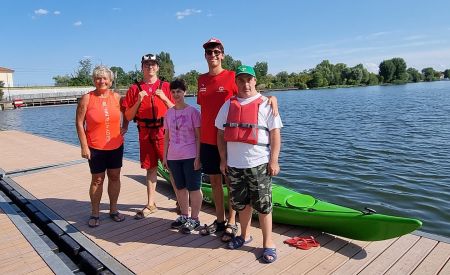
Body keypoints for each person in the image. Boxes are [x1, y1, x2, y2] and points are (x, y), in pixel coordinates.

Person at [198, 38, 279, 242]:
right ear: (205, 55)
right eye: (209, 52)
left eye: (217, 51)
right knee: (215, 181)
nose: (213, 55)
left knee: (230, 184)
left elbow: (250, 95)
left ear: (222, 54)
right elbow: (203, 109)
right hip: (210, 138)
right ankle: (219, 220)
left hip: (230, 140)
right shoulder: (201, 80)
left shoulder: (233, 76)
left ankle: (232, 222)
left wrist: (273, 98)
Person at [215, 65, 282, 263]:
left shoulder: (266, 103)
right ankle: (244, 236)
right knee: (241, 205)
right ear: (236, 83)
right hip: (235, 165)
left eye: (249, 79)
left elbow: (275, 133)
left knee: (263, 206)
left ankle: (268, 243)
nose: (245, 84)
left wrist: (274, 160)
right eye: (241, 80)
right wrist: (223, 159)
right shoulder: (228, 105)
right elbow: (220, 133)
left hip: (259, 164)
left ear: (255, 81)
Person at [122, 54, 175, 219]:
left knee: (171, 168)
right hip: (144, 133)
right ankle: (151, 204)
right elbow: (129, 116)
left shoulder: (166, 86)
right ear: (142, 67)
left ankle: (181, 202)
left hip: (163, 132)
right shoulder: (134, 89)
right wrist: (138, 101)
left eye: (153, 64)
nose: (150, 67)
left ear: (158, 67)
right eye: (146, 64)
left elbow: (177, 110)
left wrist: (165, 98)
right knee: (150, 168)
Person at [76, 65, 128, 228]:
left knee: (114, 177)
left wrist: (125, 126)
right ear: (94, 80)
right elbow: (79, 122)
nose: (102, 81)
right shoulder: (87, 98)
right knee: (97, 179)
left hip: (115, 145)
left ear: (110, 81)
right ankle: (95, 213)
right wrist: (84, 146)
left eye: (105, 78)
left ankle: (113, 210)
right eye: (98, 78)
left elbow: (127, 113)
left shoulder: (117, 98)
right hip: (95, 147)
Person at [163, 79, 202, 234]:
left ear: (184, 92)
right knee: (180, 188)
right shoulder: (169, 113)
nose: (176, 94)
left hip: (190, 155)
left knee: (193, 187)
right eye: (173, 92)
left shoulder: (193, 112)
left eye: (179, 91)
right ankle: (184, 215)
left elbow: (199, 137)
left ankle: (195, 218)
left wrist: (199, 157)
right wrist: (165, 156)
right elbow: (166, 137)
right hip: (173, 156)